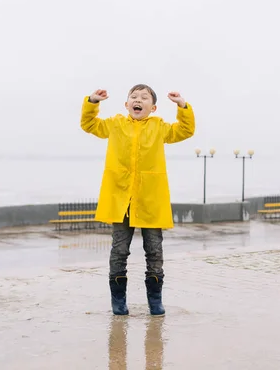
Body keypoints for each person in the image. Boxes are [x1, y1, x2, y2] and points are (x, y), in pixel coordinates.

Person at [80, 84, 195, 316]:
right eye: (134, 97)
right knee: (119, 250)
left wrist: (183, 106)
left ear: (153, 107)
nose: (138, 100)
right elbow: (89, 124)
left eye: (144, 98)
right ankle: (118, 301)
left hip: (150, 199)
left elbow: (185, 130)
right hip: (121, 198)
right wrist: (92, 102)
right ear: (126, 105)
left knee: (154, 251)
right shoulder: (114, 124)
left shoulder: (159, 127)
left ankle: (155, 301)